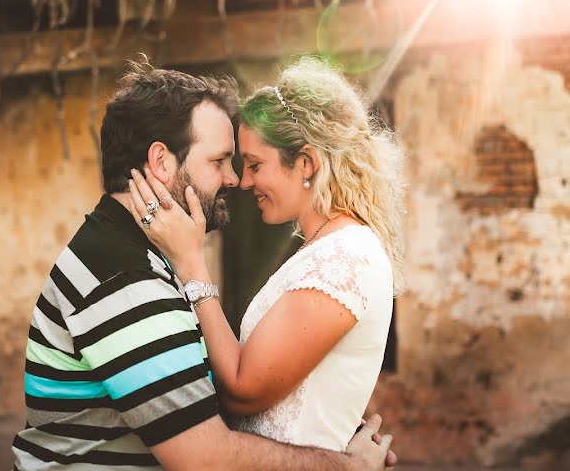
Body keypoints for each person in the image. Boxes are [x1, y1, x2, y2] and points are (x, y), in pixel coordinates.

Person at [11, 59, 395, 470]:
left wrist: (324, 420)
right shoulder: (124, 277)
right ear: (161, 162)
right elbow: (205, 457)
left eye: (249, 164)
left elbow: (190, 399)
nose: (235, 180)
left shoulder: (147, 259)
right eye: (219, 161)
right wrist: (344, 465)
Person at [126, 56, 405, 451]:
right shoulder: (328, 248)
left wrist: (191, 262)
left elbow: (243, 390)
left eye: (255, 165)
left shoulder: (343, 258)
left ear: (306, 163)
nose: (243, 181)